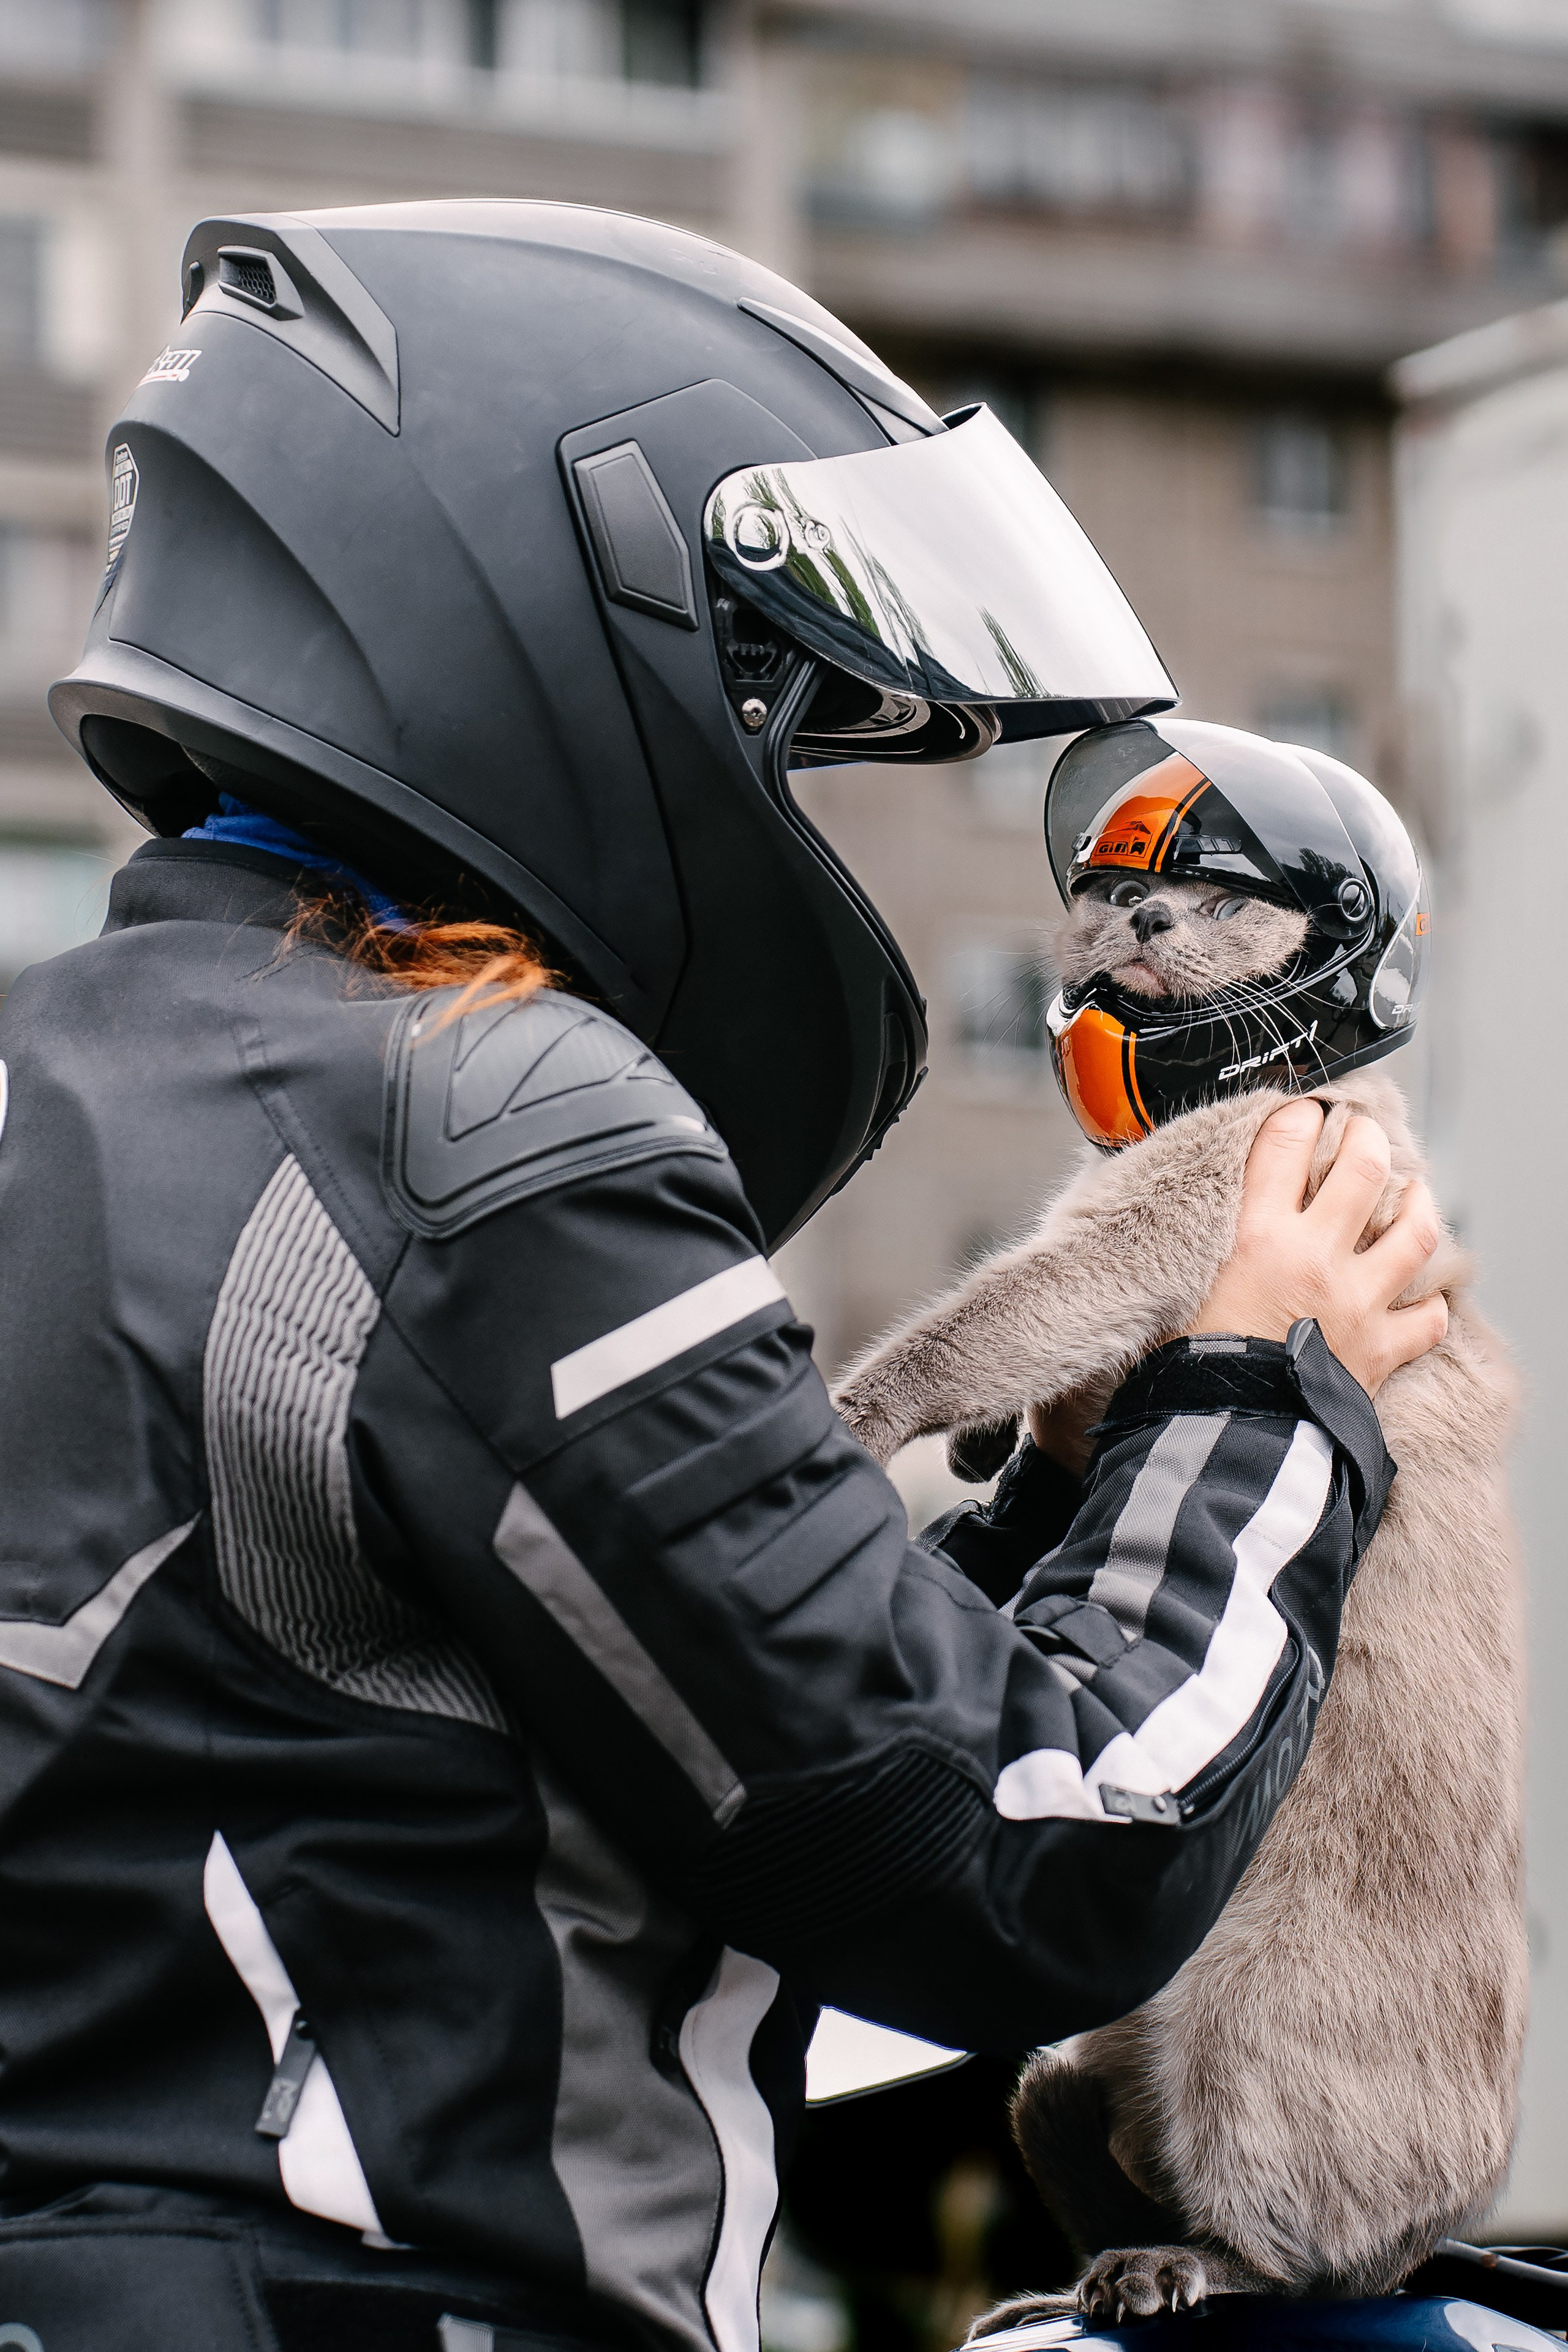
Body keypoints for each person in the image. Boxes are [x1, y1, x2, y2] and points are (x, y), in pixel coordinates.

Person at [3, 203, 1444, 2352]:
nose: (786, 792)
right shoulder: (471, 1132)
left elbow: (654, 1729)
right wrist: (1267, 1399)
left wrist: (1060, 1500)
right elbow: (1021, 1851)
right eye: (769, 711)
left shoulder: (82, 1087)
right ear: (522, 626)